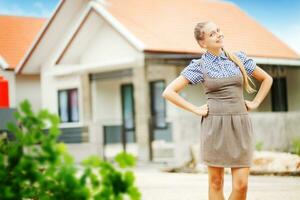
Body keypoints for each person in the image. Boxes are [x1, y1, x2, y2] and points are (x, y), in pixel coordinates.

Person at [162, 21, 273, 200]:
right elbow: (169, 92)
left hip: (240, 124)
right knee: (216, 182)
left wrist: (256, 102)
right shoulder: (199, 66)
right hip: (214, 126)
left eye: (219, 30)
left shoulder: (239, 58)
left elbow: (267, 79)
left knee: (241, 185)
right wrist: (195, 109)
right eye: (212, 33)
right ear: (202, 42)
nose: (219, 34)